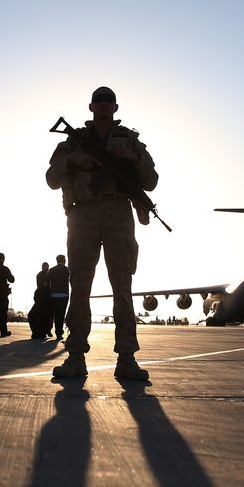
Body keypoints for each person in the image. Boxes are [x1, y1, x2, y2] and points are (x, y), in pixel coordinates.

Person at [45, 86, 158, 380]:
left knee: (122, 287)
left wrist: (132, 159)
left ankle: (127, 359)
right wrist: (73, 160)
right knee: (80, 285)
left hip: (119, 213)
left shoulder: (131, 142)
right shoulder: (74, 141)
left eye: (109, 100)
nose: (105, 104)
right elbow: (51, 179)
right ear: (91, 106)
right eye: (100, 100)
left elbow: (151, 181)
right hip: (82, 214)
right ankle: (75, 357)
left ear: (116, 107)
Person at [46, 254, 70, 341]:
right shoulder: (67, 269)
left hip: (54, 295)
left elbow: (46, 283)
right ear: (63, 260)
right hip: (64, 294)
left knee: (56, 315)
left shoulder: (51, 270)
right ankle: (59, 333)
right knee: (61, 314)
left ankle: (58, 332)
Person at [28, 262, 53, 340]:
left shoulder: (40, 275)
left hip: (41, 298)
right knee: (47, 316)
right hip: (46, 299)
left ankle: (38, 332)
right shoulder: (49, 275)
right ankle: (45, 332)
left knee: (33, 315)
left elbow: (39, 287)